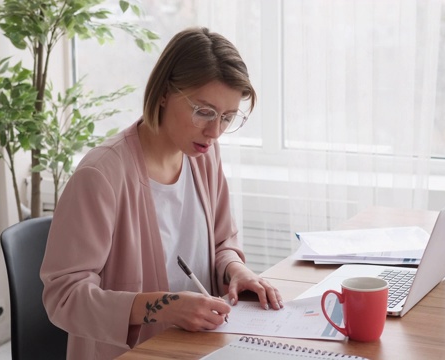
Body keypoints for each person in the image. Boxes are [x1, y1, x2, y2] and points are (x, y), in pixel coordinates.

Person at [40, 27, 283, 359]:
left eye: (226, 118)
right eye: (204, 112)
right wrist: (162, 307)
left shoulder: (204, 154)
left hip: (198, 347)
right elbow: (64, 298)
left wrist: (235, 270)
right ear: (165, 93)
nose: (214, 132)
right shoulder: (101, 176)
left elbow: (223, 242)